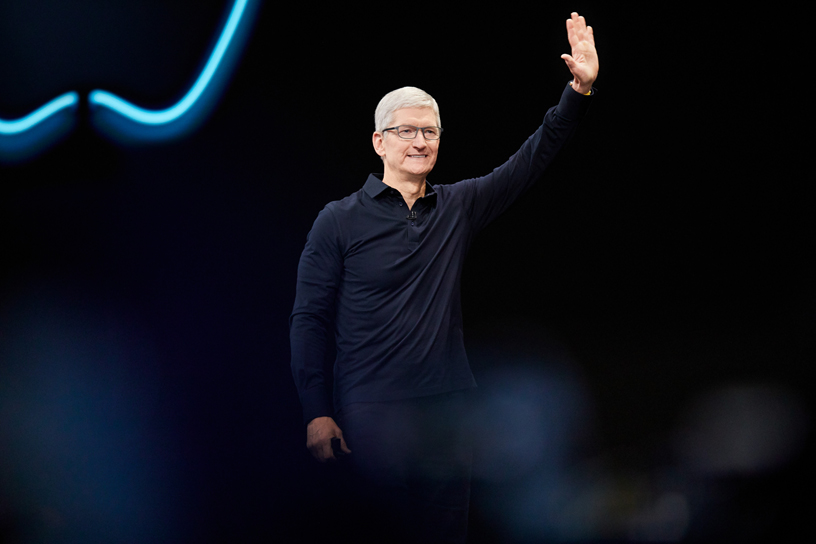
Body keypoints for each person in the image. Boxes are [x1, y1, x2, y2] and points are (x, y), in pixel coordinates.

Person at [290, 12, 599, 543]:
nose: (420, 142)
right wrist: (318, 412)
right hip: (370, 417)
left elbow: (531, 159)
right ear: (379, 141)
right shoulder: (338, 220)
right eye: (406, 131)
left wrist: (578, 91)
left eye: (429, 132)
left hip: (447, 414)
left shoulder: (456, 205)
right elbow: (309, 318)